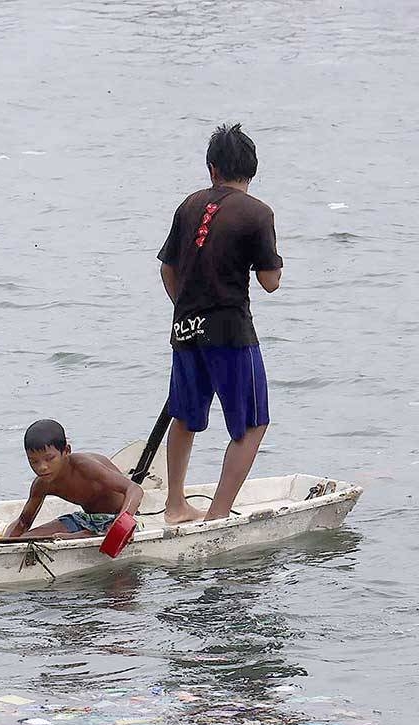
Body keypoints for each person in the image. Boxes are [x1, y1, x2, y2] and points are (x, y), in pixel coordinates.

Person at [157, 123, 282, 523]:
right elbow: (270, 282)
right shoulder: (258, 213)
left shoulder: (189, 204)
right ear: (253, 168)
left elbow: (167, 269)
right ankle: (218, 515)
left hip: (185, 328)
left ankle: (175, 505)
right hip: (231, 331)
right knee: (251, 424)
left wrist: (186, 308)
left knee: (185, 416)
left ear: (212, 169)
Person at [2, 419, 144, 541]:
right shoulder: (42, 484)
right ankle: (85, 534)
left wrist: (123, 523)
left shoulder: (85, 466)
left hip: (120, 518)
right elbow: (23, 522)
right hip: (86, 519)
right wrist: (4, 543)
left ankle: (86, 535)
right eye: (34, 461)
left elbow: (134, 489)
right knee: (29, 539)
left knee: (63, 537)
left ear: (66, 451)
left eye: (49, 458)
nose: (42, 467)